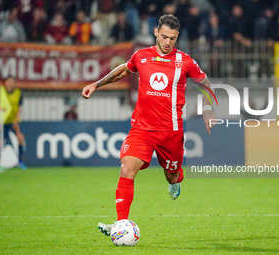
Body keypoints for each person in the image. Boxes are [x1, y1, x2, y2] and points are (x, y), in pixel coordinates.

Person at [82, 14, 216, 235]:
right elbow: (124, 70)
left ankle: (175, 181)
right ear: (156, 32)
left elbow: (205, 83)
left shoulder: (185, 61)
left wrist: (208, 109)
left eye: (172, 38)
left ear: (177, 37)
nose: (167, 42)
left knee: (171, 175)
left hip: (171, 132)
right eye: (164, 37)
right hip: (142, 129)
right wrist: (96, 84)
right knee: (127, 169)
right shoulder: (141, 56)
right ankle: (121, 224)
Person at [0, 77, 26, 170]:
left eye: (13, 82)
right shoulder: (0, 91)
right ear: (5, 82)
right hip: (3, 121)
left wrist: (16, 121)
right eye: (9, 81)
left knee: (20, 138)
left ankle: (20, 161)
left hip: (14, 121)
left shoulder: (18, 93)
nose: (11, 83)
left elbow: (18, 108)